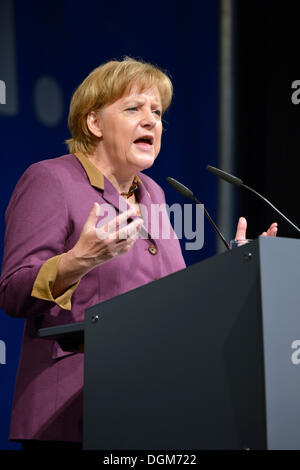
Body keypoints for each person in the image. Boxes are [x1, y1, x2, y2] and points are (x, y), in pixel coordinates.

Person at [0, 57, 277, 450]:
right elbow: (13, 292)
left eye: (157, 112)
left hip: (151, 408)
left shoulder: (154, 195)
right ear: (93, 123)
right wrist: (81, 259)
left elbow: (170, 299)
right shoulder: (51, 179)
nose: (151, 121)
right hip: (72, 415)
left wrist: (238, 271)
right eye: (134, 109)